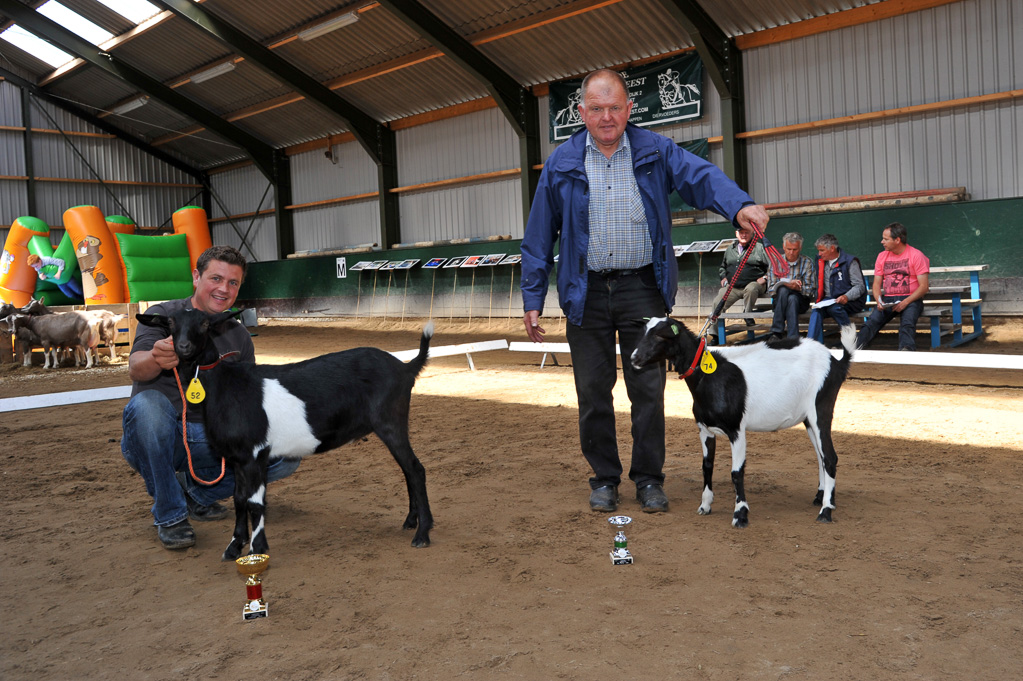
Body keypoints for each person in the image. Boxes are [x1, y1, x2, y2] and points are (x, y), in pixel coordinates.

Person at [519, 69, 769, 514]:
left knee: (648, 391)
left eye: (615, 107)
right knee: (593, 392)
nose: (607, 117)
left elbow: (701, 177)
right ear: (581, 112)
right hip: (585, 292)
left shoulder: (656, 150)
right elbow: (539, 236)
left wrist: (739, 204)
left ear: (629, 109)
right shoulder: (562, 163)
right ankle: (604, 479)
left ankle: (650, 479)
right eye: (596, 109)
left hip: (643, 289)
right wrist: (532, 298)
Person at [120, 245, 300, 550]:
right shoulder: (163, 316)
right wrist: (156, 357)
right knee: (147, 407)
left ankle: (193, 495)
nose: (223, 289)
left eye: (233, 283)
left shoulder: (239, 336)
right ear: (196, 277)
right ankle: (170, 516)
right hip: (161, 435)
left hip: (210, 438)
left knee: (286, 454)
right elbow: (137, 369)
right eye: (216, 278)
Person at [856, 222, 930, 351]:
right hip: (888, 299)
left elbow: (924, 287)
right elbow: (877, 284)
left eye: (886, 239)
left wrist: (906, 302)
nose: (882, 242)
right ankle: (853, 348)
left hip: (911, 299)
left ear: (897, 240)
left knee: (907, 324)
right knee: (872, 322)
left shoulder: (916, 255)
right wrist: (879, 300)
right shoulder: (881, 256)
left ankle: (906, 349)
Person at [805, 233, 867, 342]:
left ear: (832, 248)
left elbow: (859, 287)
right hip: (828, 301)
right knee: (816, 311)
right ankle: (812, 344)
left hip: (851, 301)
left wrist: (846, 296)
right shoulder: (820, 261)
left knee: (835, 308)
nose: (819, 254)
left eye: (822, 250)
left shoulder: (849, 261)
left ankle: (851, 340)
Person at [711, 225, 769, 324]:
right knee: (717, 303)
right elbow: (722, 267)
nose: (744, 235)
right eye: (741, 233)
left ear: (752, 233)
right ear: (736, 234)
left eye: (746, 232)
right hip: (733, 287)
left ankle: (747, 314)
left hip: (754, 284)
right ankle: (716, 335)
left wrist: (765, 278)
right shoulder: (730, 249)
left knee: (752, 288)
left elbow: (772, 267)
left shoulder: (759, 248)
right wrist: (723, 277)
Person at [766, 232, 816, 339]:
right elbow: (771, 290)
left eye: (795, 249)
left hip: (801, 301)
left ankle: (777, 331)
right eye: (789, 249)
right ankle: (793, 338)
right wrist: (788, 284)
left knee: (792, 295)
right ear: (784, 247)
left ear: (800, 248)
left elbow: (810, 290)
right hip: (780, 301)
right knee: (787, 294)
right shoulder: (775, 262)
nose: (791, 252)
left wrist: (799, 288)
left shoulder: (807, 263)